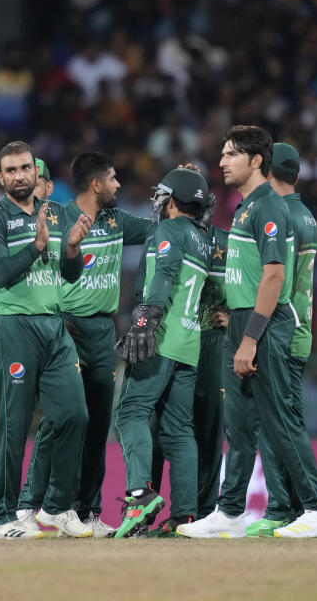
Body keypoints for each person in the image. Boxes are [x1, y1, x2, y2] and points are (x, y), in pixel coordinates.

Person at [177, 125, 317, 539]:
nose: (221, 162)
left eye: (230, 154)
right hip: (243, 322)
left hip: (263, 325)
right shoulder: (247, 207)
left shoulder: (269, 206)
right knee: (241, 423)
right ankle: (230, 510)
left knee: (281, 420)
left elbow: (273, 277)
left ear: (256, 162)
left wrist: (249, 337)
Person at [17, 151, 151, 538]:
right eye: (113, 178)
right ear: (96, 183)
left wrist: (180, 194)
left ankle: (86, 510)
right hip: (65, 328)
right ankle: (30, 505)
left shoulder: (116, 220)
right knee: (60, 419)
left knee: (97, 425)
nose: (118, 185)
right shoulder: (56, 217)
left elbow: (160, 228)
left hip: (101, 332)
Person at [0, 140, 93, 540]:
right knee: (14, 425)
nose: (19, 175)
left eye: (25, 167)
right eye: (10, 170)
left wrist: (73, 248)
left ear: (35, 172)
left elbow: (71, 274)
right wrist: (38, 246)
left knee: (74, 414)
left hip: (53, 326)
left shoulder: (57, 213)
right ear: (1, 177)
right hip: (14, 327)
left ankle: (57, 508)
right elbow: (0, 274)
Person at [112, 166, 212, 538]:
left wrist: (144, 321)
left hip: (163, 337)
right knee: (179, 429)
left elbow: (166, 273)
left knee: (130, 413)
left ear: (171, 200)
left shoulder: (168, 230)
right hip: (189, 341)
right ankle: (185, 518)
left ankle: (140, 496)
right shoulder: (202, 239)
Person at [240, 142, 317, 537]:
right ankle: (296, 508)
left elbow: (272, 279)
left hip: (280, 330)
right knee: (284, 420)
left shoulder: (278, 212)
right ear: (298, 175)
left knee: (275, 424)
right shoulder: (306, 216)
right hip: (301, 329)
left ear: (266, 171)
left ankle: (283, 508)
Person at [148, 164, 229, 536]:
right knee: (160, 425)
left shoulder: (227, 241)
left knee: (208, 428)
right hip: (175, 335)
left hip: (211, 342)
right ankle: (149, 508)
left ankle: (202, 512)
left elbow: (255, 285)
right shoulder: (167, 233)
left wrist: (237, 318)